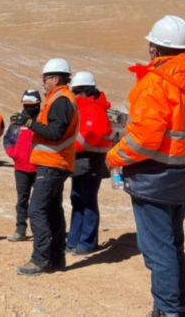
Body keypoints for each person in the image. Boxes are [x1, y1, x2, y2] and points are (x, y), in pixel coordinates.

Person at [107, 15, 185, 317]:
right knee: (173, 244)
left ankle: (169, 311)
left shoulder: (155, 84)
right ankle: (183, 307)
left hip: (154, 179)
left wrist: (114, 156)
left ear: (154, 49)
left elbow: (143, 141)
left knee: (158, 251)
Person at [10, 59, 78, 275]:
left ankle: (40, 259)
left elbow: (55, 133)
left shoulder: (60, 100)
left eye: (45, 78)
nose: (43, 82)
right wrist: (30, 119)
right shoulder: (58, 99)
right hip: (55, 162)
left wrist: (29, 124)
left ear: (56, 78)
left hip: (53, 163)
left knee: (36, 209)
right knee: (53, 210)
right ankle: (57, 258)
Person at [67, 72, 113, 256]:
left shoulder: (94, 109)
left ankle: (87, 242)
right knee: (76, 199)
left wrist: (67, 147)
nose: (75, 96)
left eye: (77, 92)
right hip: (79, 161)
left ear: (85, 91)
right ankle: (73, 240)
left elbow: (88, 138)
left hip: (90, 162)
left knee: (87, 201)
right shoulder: (83, 108)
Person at [3, 89, 41, 242]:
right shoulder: (17, 121)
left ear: (38, 105)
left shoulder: (42, 121)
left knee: (40, 203)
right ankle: (20, 230)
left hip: (40, 168)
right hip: (21, 168)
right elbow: (7, 139)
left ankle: (42, 232)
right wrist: (13, 153)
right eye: (26, 105)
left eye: (31, 105)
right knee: (22, 200)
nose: (28, 108)